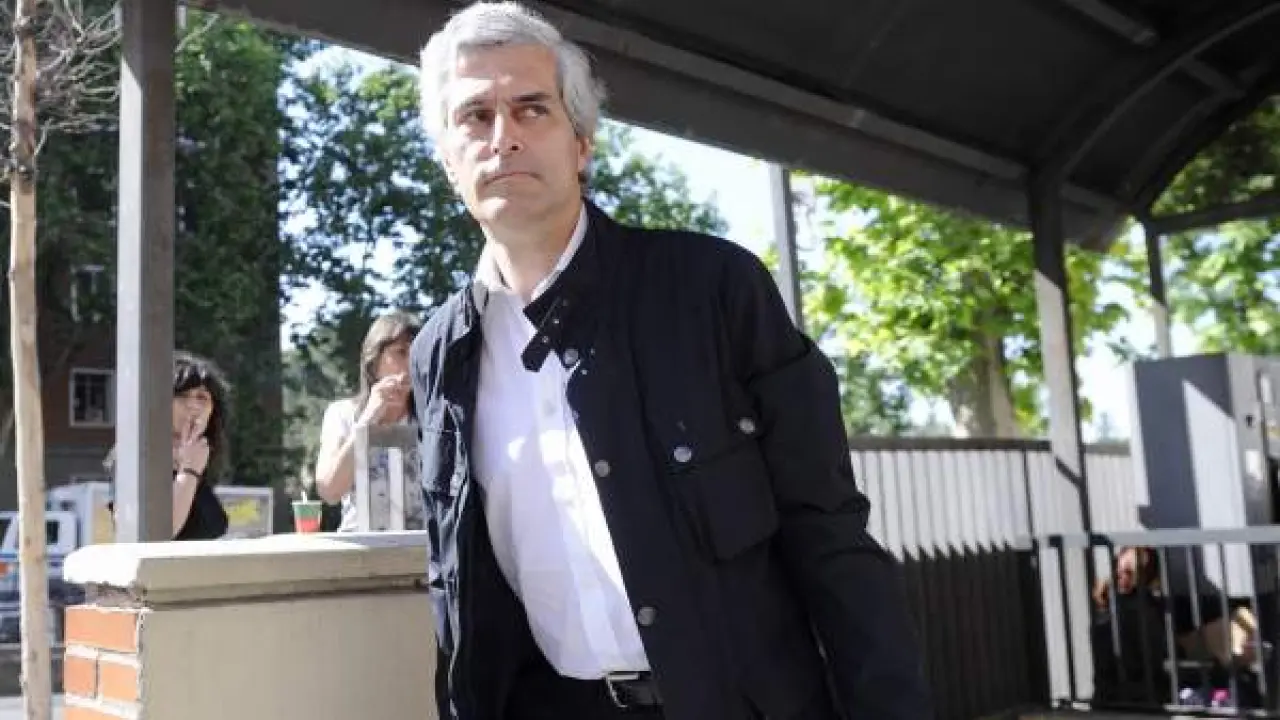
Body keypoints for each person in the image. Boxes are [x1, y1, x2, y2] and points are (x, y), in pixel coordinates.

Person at [408, 3, 932, 719]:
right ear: (447, 159)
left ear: (581, 144)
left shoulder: (714, 289)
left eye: (532, 108)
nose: (504, 137)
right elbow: (453, 587)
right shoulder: (439, 354)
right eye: (475, 116)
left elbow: (830, 534)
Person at [313, 310, 424, 532]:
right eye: (400, 353)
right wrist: (368, 419)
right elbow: (329, 490)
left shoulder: (431, 418)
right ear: (374, 361)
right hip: (360, 547)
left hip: (419, 547)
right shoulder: (342, 414)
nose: (410, 364)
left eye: (418, 354)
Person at [104, 350, 230, 541]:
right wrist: (189, 472)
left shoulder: (201, 456)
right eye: (182, 396)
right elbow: (154, 534)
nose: (193, 406)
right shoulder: (135, 454)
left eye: (202, 397)